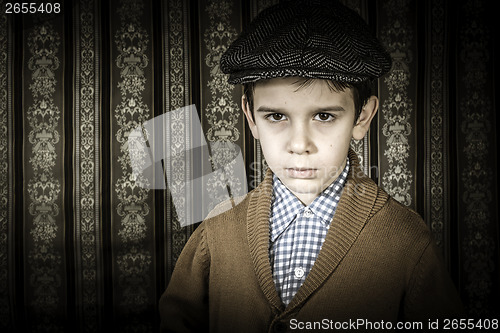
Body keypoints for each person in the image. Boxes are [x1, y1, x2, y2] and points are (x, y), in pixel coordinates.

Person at [159, 0, 464, 331]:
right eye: (276, 116)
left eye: (324, 116)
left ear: (362, 117)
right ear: (250, 117)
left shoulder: (405, 239)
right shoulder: (218, 228)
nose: (299, 144)